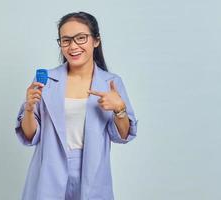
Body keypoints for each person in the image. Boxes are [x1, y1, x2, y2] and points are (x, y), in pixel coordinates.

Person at [15, 11, 138, 200]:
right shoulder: (46, 81)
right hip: (50, 171)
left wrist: (119, 109)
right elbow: (30, 136)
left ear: (96, 41)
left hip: (93, 172)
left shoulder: (111, 82)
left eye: (81, 38)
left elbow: (122, 135)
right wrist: (29, 109)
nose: (73, 46)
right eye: (66, 40)